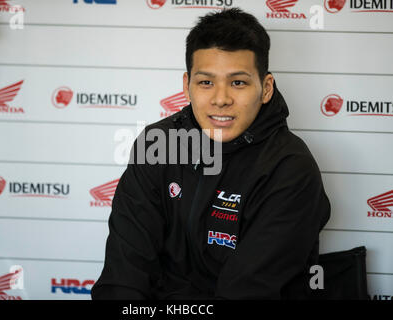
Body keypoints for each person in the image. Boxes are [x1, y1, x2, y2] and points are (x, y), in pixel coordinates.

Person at [91, 8, 330, 300]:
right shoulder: (160, 144)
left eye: (238, 82)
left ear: (266, 88)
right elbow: (124, 272)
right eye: (206, 82)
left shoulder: (290, 168)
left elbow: (246, 293)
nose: (221, 99)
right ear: (186, 86)